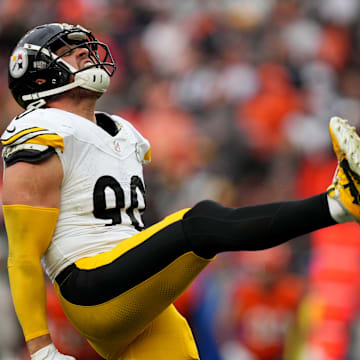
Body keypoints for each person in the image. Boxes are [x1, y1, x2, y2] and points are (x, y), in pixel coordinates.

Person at [1, 22, 359, 360]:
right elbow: (23, 255)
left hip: (130, 285)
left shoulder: (120, 132)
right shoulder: (40, 131)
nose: (85, 55)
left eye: (84, 49)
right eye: (70, 52)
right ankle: (339, 202)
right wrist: (40, 346)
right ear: (41, 74)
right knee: (201, 222)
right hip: (89, 286)